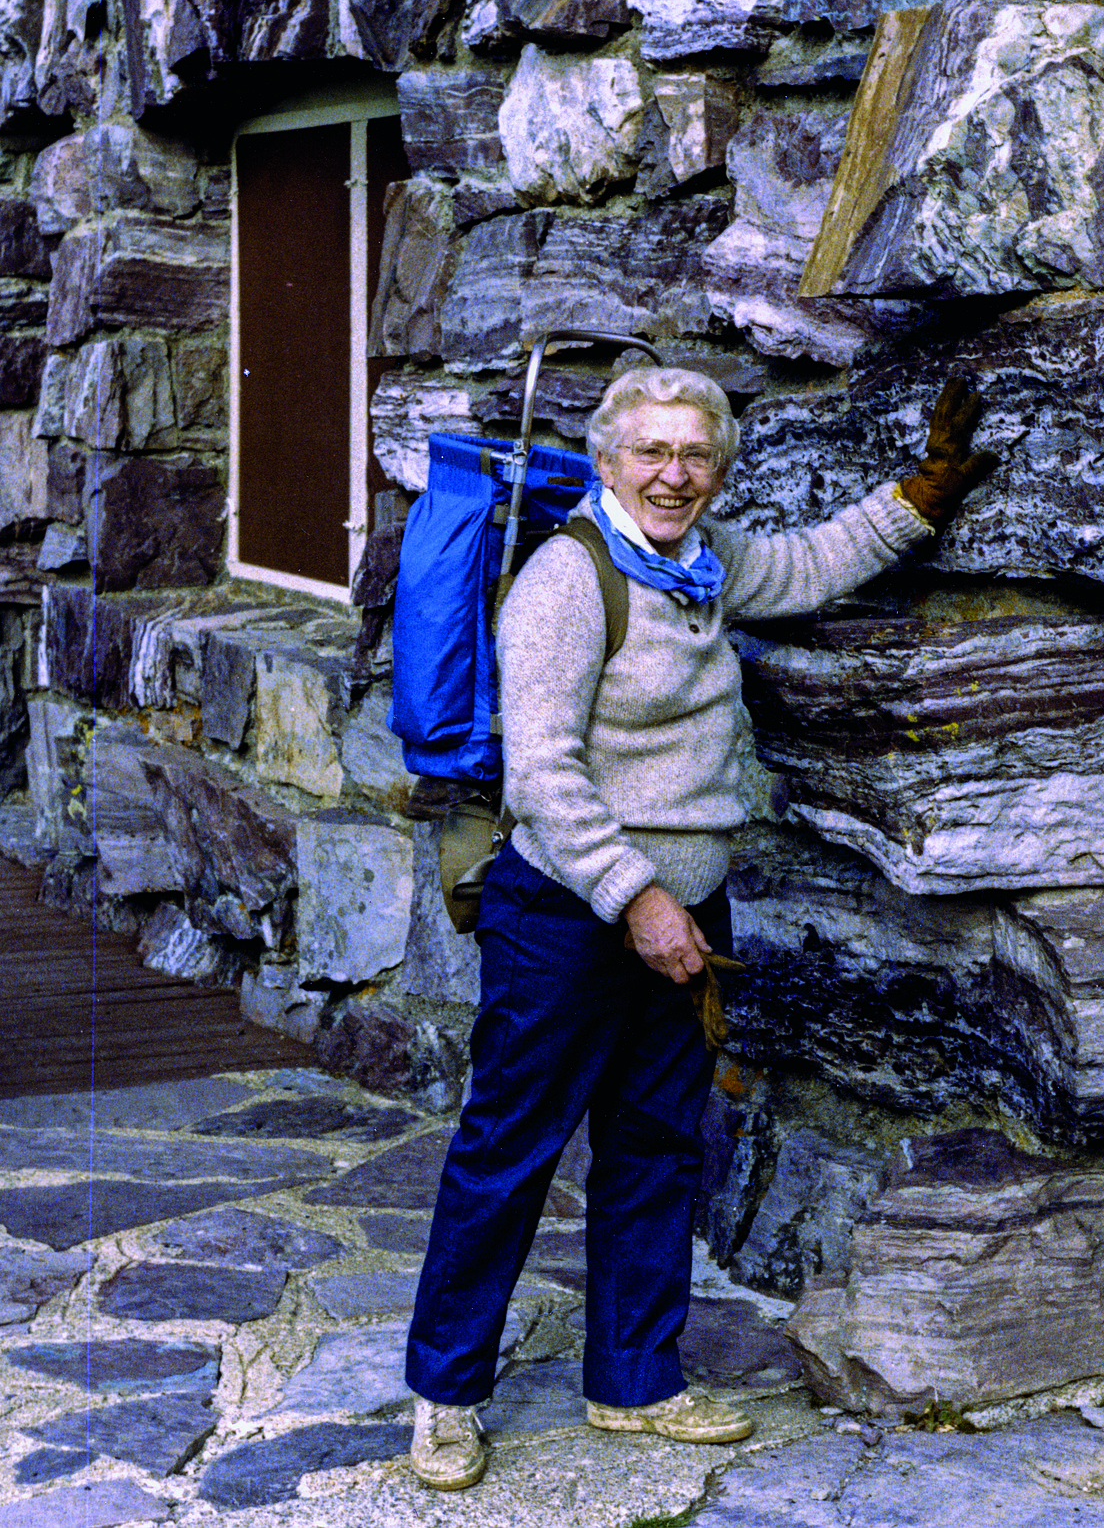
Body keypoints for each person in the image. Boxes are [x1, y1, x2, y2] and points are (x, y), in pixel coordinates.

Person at [404, 367, 996, 1489]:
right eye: (651, 453)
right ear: (607, 459)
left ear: (718, 469)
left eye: (696, 456)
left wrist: (923, 493)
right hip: (571, 915)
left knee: (657, 1145)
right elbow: (542, 774)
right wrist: (640, 897)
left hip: (683, 915)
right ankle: (444, 1396)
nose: (674, 475)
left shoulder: (700, 564)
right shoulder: (569, 580)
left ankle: (634, 1382)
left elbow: (814, 560)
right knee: (508, 1151)